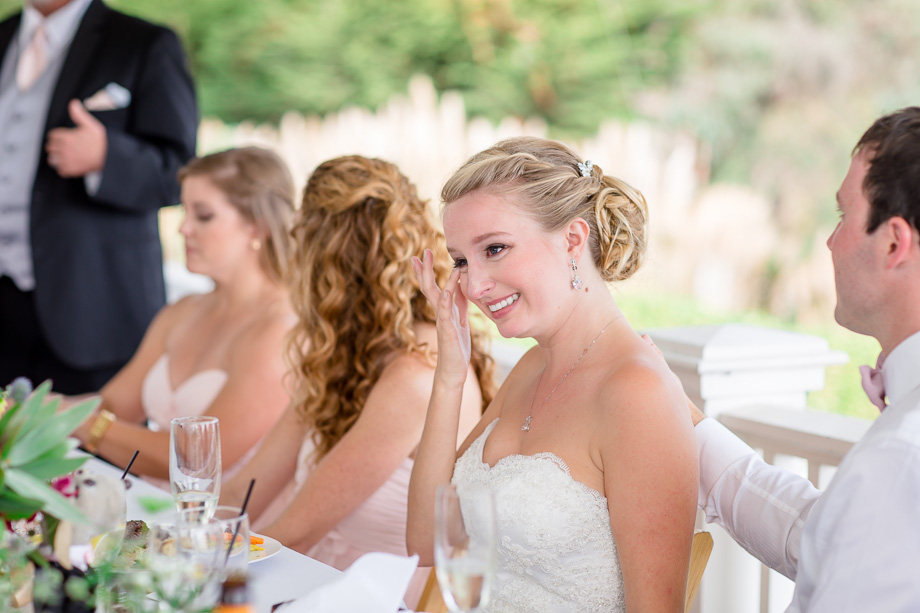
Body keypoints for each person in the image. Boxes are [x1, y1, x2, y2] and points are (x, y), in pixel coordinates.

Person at [407, 137, 699, 612]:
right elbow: (425, 541)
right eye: (461, 261)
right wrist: (449, 377)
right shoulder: (532, 367)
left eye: (495, 249)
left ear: (572, 240)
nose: (474, 286)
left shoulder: (637, 393)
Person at [220, 155, 494, 607]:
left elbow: (293, 533)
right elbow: (245, 489)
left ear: (322, 262)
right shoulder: (348, 353)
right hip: (311, 582)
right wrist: (175, 538)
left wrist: (194, 575)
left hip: (368, 600)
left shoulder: (418, 372)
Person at [691, 107, 920, 612]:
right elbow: (824, 538)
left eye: (843, 217)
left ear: (893, 243)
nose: (831, 242)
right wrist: (686, 423)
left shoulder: (901, 459)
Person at [0, 0, 198, 394]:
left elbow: (180, 174)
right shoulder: (3, 35)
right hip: (4, 318)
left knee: (95, 435)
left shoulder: (144, 43)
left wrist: (108, 158)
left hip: (93, 309)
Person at [70, 147, 296, 481]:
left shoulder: (280, 331)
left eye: (203, 215)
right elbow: (113, 406)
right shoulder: (183, 311)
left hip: (229, 513)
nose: (183, 228)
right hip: (151, 506)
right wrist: (33, 409)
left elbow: (195, 457)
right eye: (184, 212)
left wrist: (82, 425)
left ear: (257, 227)